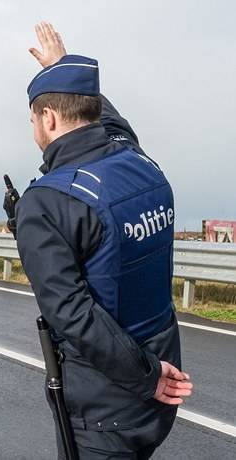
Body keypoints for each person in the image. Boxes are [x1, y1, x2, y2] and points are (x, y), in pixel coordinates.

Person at [14, 22, 193, 459]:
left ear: (49, 118)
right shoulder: (138, 161)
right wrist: (64, 67)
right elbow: (108, 121)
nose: (34, 129)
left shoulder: (47, 201)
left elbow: (74, 316)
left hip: (107, 403)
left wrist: (148, 376)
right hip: (156, 383)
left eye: (34, 118)